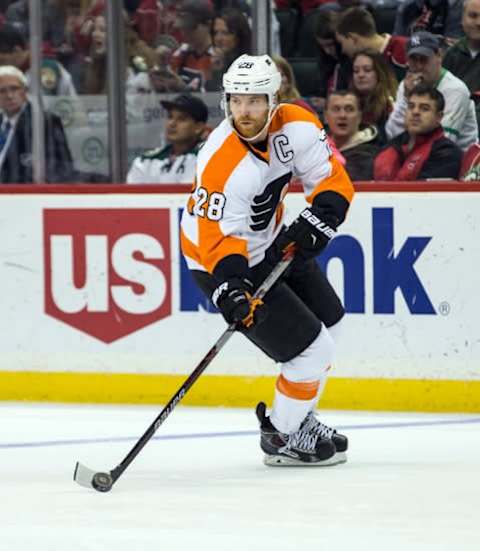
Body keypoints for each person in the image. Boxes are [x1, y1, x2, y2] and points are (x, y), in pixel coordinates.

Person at [180, 54, 354, 466]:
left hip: (270, 243)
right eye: (236, 100)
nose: (244, 111)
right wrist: (232, 289)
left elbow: (330, 179)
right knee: (311, 351)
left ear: (272, 100)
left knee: (332, 322)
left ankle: (300, 418)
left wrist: (321, 218)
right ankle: (281, 436)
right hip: (217, 260)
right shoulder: (221, 162)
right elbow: (219, 241)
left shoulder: (296, 124)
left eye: (254, 100)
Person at [386, 31, 479, 152]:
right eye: (414, 60)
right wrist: (406, 97)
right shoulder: (407, 85)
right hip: (414, 155)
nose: (419, 66)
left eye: (424, 59)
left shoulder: (455, 90)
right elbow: (392, 134)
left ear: (439, 56)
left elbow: (443, 142)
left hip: (457, 161)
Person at [0, 65, 74, 183]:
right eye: (2, 91)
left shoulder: (45, 122)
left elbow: (62, 169)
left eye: (14, 89)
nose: (9, 96)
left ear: (25, 91)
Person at [374, 84, 462, 180]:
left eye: (424, 108)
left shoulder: (447, 153)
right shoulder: (391, 146)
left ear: (439, 117)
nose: (415, 112)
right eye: (411, 107)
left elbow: (426, 193)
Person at [127, 94, 208, 184]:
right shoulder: (145, 161)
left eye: (181, 119)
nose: (172, 123)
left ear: (199, 127)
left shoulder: (208, 159)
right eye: (170, 117)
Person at [335, 6, 408, 82]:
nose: (343, 50)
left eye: (341, 42)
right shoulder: (355, 65)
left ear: (353, 38)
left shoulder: (404, 48)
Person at [325, 90, 381, 180]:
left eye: (349, 109)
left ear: (359, 117)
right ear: (326, 117)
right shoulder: (315, 147)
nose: (342, 115)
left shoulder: (369, 154)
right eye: (336, 109)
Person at [350, 50, 398, 141]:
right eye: (356, 71)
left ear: (380, 73)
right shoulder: (347, 102)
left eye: (367, 70)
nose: (360, 75)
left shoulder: (390, 105)